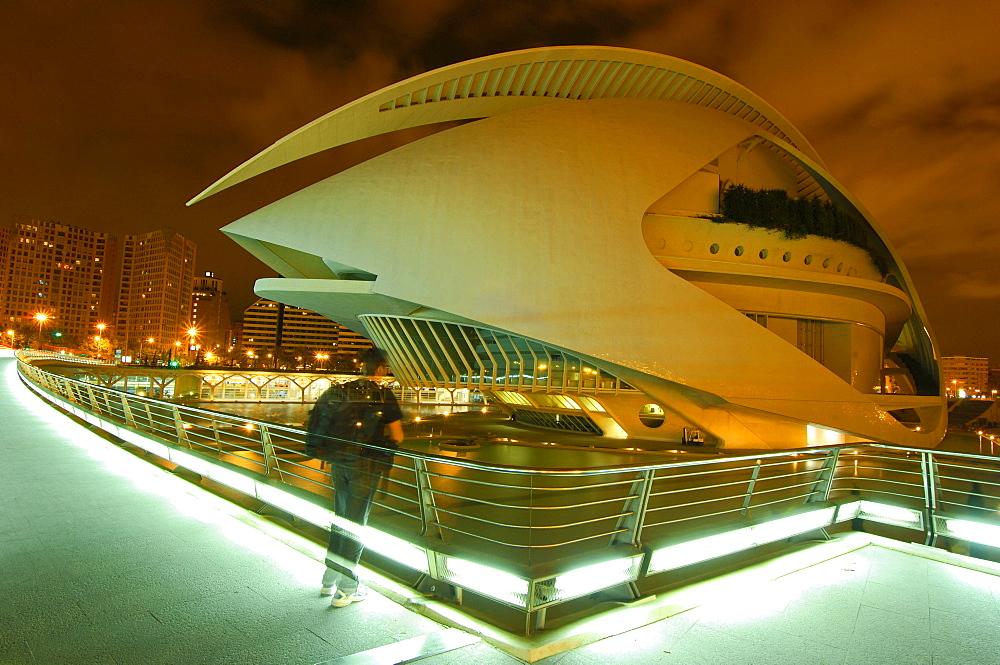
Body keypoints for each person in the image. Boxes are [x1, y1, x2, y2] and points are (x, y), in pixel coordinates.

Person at [305, 348, 403, 607]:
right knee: (356, 523)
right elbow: (398, 435)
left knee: (341, 517)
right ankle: (347, 588)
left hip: (338, 462)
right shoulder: (384, 395)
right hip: (365, 465)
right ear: (380, 369)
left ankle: (329, 579)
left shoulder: (343, 390)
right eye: (387, 368)